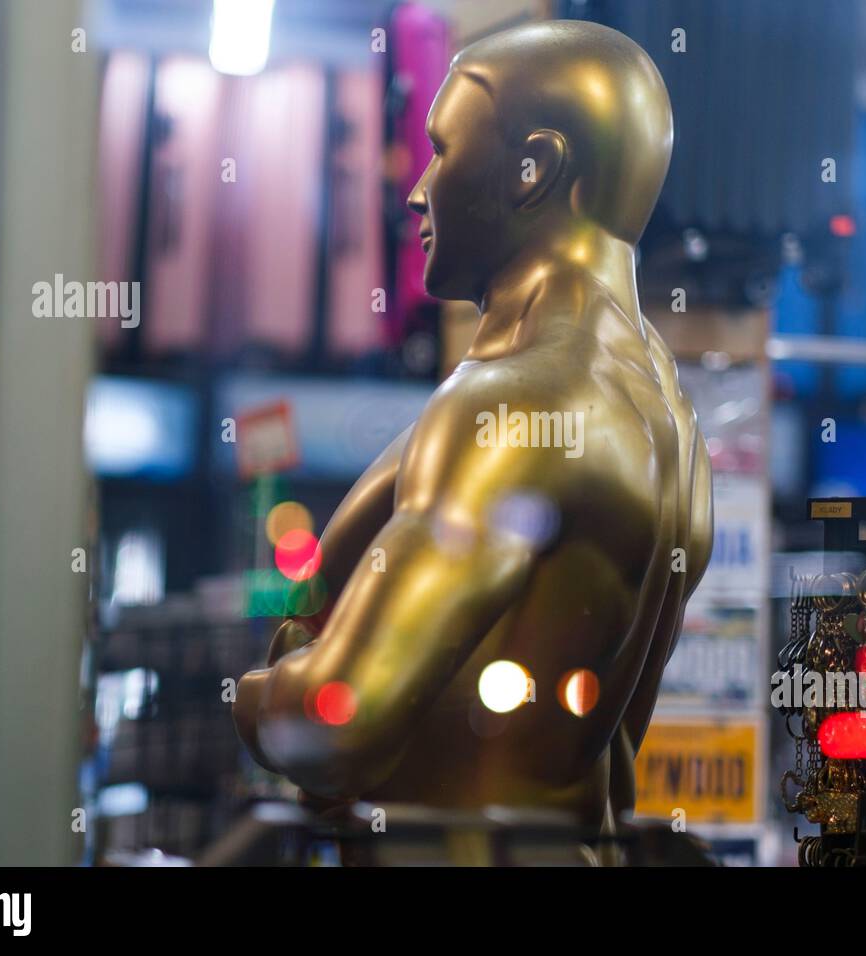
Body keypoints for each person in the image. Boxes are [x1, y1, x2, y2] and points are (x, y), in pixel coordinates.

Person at [234, 20, 712, 842]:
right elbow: (597, 745)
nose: (418, 190)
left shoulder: (512, 407)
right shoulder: (669, 420)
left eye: (444, 150)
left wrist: (255, 694)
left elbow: (336, 715)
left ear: (537, 169)